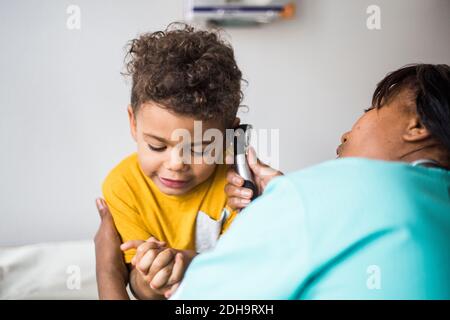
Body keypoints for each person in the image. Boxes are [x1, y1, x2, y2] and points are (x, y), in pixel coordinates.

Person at [97, 63, 450, 299]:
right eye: (158, 145)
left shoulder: (329, 189)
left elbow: (198, 300)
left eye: (369, 110)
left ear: (417, 126)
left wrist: (108, 270)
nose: (347, 131)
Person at [96, 23, 244, 300]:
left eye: (199, 149)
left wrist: (187, 263)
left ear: (229, 134)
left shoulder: (238, 188)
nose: (176, 163)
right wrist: (154, 274)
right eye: (157, 145)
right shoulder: (123, 186)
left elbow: (244, 275)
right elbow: (139, 284)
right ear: (133, 122)